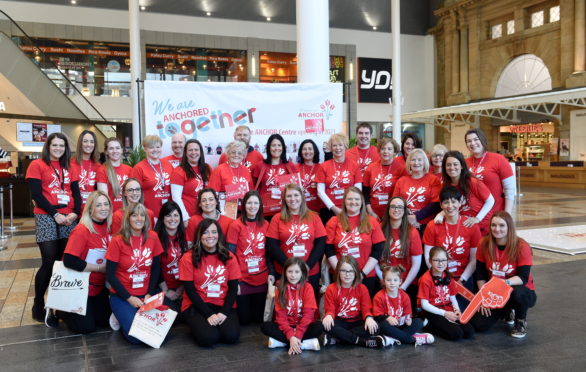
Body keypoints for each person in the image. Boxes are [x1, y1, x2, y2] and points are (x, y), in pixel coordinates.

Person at [26, 133, 81, 325]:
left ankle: (59, 305)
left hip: (68, 217)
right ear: (48, 146)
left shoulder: (70, 166)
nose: (58, 148)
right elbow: (36, 194)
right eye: (55, 145)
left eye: (62, 145)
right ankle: (38, 303)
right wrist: (54, 215)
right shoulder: (37, 165)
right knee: (49, 262)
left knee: (63, 262)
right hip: (46, 215)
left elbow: (76, 193)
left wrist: (75, 213)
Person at [472, 211, 537, 338]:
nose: (497, 229)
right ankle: (507, 311)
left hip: (519, 290)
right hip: (495, 293)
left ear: (509, 227)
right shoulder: (484, 244)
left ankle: (520, 321)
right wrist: (484, 296)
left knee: (518, 293)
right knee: (479, 325)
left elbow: (523, 278)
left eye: (502, 225)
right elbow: (480, 275)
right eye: (494, 225)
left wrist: (503, 283)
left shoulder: (521, 246)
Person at [106, 203, 163, 344]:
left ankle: (129, 316)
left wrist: (149, 293)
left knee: (159, 331)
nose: (139, 218)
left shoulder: (153, 237)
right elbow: (110, 275)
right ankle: (118, 315)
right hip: (122, 296)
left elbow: (156, 268)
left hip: (146, 295)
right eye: (134, 215)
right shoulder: (117, 240)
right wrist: (129, 298)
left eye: (142, 215)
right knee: (136, 338)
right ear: (128, 218)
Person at [179, 218, 241, 347]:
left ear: (219, 234)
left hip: (222, 303)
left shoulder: (229, 256)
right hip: (197, 305)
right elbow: (190, 291)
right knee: (208, 338)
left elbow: (233, 288)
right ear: (199, 235)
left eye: (214, 232)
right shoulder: (188, 258)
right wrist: (209, 314)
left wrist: (224, 312)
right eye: (206, 232)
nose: (210, 236)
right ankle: (197, 325)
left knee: (231, 336)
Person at [61, 191, 112, 333]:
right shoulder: (82, 230)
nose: (103, 208)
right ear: (90, 209)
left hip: (100, 287)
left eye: (106, 204)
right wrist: (98, 268)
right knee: (86, 328)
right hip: (81, 287)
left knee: (104, 322)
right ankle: (62, 311)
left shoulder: (109, 227)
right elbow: (69, 261)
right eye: (98, 205)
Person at [266, 183, 326, 301]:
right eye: (289, 196)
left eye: (296, 195)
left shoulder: (314, 217)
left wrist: (306, 267)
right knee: (285, 308)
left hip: (310, 271)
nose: (293, 199)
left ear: (302, 197)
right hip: (284, 272)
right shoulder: (277, 218)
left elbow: (320, 244)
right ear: (284, 199)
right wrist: (290, 268)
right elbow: (272, 246)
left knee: (309, 308)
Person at [423, 186, 480, 309]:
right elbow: (428, 256)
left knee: (464, 318)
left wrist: (462, 280)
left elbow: (474, 258)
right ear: (441, 205)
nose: (450, 206)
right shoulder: (432, 226)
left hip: (463, 278)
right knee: (446, 315)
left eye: (454, 201)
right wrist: (440, 276)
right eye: (446, 202)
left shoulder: (471, 226)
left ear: (460, 203)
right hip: (439, 278)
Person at [325, 187, 384, 297]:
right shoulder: (334, 221)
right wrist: (341, 272)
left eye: (357, 199)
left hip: (366, 275)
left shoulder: (372, 221)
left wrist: (362, 274)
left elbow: (377, 250)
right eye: (350, 199)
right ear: (344, 201)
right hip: (340, 276)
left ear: (362, 202)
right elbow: (328, 249)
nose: (353, 202)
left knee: (365, 309)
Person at [226, 191, 272, 325]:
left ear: (260, 205)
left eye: (256, 203)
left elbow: (269, 252)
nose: (252, 206)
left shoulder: (266, 225)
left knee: (258, 319)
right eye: (249, 203)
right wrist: (235, 281)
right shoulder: (236, 225)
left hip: (261, 277)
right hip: (243, 278)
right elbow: (230, 254)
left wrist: (271, 273)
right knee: (244, 320)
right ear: (244, 205)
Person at [260, 257, 323, 354]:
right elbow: (281, 318)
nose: (293, 275)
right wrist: (290, 334)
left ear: (302, 273)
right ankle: (304, 344)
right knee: (265, 326)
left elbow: (308, 315)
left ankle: (283, 343)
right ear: (285, 272)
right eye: (290, 271)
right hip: (286, 326)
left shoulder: (307, 287)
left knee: (319, 327)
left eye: (297, 272)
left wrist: (297, 335)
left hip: (303, 326)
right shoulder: (280, 287)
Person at [322, 256, 384, 348]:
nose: (347, 274)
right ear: (338, 272)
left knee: (375, 327)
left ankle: (338, 338)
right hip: (339, 322)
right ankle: (361, 341)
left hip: (357, 322)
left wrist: (369, 318)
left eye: (351, 271)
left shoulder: (362, 288)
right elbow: (330, 309)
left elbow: (366, 308)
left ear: (356, 273)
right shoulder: (331, 288)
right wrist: (328, 315)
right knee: (324, 325)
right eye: (343, 271)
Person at [418, 246, 474, 341]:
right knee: (457, 334)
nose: (441, 264)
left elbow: (452, 297)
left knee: (469, 332)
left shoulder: (448, 277)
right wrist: (445, 314)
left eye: (444, 260)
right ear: (430, 261)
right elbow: (424, 305)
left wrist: (457, 310)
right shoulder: (425, 279)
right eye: (437, 260)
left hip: (447, 308)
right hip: (433, 311)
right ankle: (427, 324)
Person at [378, 196, 422, 308]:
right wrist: (383, 281)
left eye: (399, 207)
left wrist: (403, 287)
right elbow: (373, 259)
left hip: (406, 283)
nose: (396, 210)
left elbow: (416, 264)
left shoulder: (412, 232)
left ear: (404, 211)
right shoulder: (379, 229)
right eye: (393, 206)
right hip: (383, 281)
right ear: (388, 209)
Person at [372, 266, 434, 346]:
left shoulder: (405, 296)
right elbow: (377, 316)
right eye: (388, 280)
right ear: (383, 281)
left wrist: (408, 320)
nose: (392, 283)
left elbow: (407, 315)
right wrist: (388, 318)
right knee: (382, 325)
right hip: (388, 327)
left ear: (400, 281)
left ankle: (392, 339)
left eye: (395, 280)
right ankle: (412, 339)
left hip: (401, 326)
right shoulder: (379, 296)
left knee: (418, 322)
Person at [440, 150, 495, 235]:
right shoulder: (446, 185)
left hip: (482, 227)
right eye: (448, 165)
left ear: (462, 166)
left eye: (455, 164)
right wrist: (440, 215)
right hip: (464, 228)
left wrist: (477, 218)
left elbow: (490, 201)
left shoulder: (472, 182)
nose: (452, 167)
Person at [465, 128, 515, 215]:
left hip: (494, 214)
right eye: (469, 141)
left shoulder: (499, 159)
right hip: (472, 215)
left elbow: (509, 190)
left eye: (476, 139)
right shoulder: (464, 163)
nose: (472, 143)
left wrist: (507, 215)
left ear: (483, 140)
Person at [316, 133, 362, 225]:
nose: (338, 148)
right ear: (331, 148)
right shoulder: (324, 166)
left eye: (340, 145)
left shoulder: (354, 165)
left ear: (345, 147)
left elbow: (358, 190)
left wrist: (350, 206)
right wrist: (333, 208)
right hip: (328, 210)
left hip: (350, 209)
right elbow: (320, 191)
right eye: (334, 145)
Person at [392, 148, 441, 231]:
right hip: (405, 223)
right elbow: (395, 202)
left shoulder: (434, 180)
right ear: (409, 163)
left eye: (419, 160)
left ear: (424, 162)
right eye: (413, 160)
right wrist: (407, 218)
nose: (416, 163)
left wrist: (416, 217)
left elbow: (436, 204)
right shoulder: (401, 181)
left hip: (426, 225)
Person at [252, 134, 298, 218]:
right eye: (273, 145)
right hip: (265, 210)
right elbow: (254, 188)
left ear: (283, 148)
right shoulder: (260, 166)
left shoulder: (290, 166)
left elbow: (296, 189)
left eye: (279, 145)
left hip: (286, 210)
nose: (276, 148)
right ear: (269, 147)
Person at [154, 201, 187, 313]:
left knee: (186, 312)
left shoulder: (185, 236)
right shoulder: (155, 238)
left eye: (176, 215)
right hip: (163, 288)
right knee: (174, 315)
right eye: (168, 215)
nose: (172, 219)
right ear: (162, 218)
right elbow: (155, 268)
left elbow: (190, 267)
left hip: (183, 287)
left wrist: (181, 289)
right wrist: (166, 290)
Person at [131, 135, 173, 217]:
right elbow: (134, 194)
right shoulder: (139, 168)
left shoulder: (168, 165)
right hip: (148, 213)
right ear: (145, 149)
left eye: (158, 147)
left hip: (168, 213)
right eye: (151, 147)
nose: (155, 150)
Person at [363, 138, 405, 220]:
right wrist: (370, 212)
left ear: (395, 152)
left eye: (389, 149)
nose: (386, 151)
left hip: (393, 213)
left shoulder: (401, 168)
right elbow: (365, 192)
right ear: (379, 151)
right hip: (373, 212)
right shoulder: (371, 168)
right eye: (383, 149)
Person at [170, 139, 211, 222]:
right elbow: (176, 197)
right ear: (185, 153)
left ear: (201, 152)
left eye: (196, 150)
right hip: (189, 216)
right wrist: (185, 217)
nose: (193, 153)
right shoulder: (179, 171)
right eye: (190, 150)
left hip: (206, 215)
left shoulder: (207, 168)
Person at [96, 137, 132, 212]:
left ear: (122, 150)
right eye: (111, 148)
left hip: (128, 213)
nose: (115, 151)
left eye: (117, 148)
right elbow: (104, 197)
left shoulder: (129, 169)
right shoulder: (102, 170)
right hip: (111, 213)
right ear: (106, 151)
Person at [70, 130, 100, 210]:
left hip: (92, 209)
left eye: (91, 142)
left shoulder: (98, 166)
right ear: (80, 143)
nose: (89, 144)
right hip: (74, 210)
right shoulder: (70, 163)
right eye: (85, 141)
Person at [297, 139, 322, 212]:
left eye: (310, 149)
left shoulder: (321, 167)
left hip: (318, 210)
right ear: (301, 152)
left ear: (315, 151)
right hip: (299, 210)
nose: (307, 151)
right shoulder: (295, 168)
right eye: (304, 149)